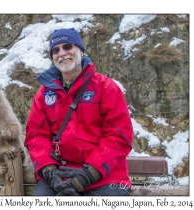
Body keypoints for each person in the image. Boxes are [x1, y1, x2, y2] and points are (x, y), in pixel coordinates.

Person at [24, 28, 133, 196]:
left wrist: (90, 174)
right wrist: (49, 172)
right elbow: (36, 136)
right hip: (60, 174)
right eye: (56, 50)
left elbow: (118, 135)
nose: (62, 53)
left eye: (68, 46)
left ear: (81, 51)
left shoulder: (106, 87)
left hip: (105, 176)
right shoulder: (44, 94)